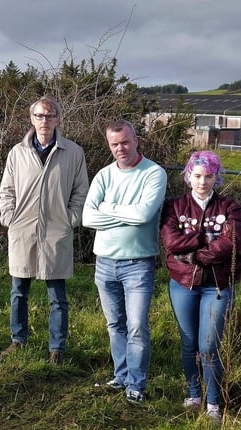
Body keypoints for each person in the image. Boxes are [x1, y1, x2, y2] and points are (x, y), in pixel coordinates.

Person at [0, 96, 89, 365]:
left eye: (49, 116)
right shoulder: (18, 152)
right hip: (22, 230)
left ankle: (57, 349)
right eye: (39, 116)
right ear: (32, 119)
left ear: (58, 119)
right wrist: (9, 217)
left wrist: (71, 218)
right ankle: (18, 340)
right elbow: (7, 190)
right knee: (18, 291)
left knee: (57, 296)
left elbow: (80, 191)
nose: (44, 121)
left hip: (56, 231)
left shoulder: (73, 152)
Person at [82, 119, 167, 403]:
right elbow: (87, 218)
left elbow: (144, 215)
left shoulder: (154, 173)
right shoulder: (104, 176)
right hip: (104, 262)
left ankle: (136, 385)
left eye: (125, 142)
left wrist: (107, 208)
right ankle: (121, 377)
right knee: (114, 324)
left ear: (136, 140)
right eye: (115, 144)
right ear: (109, 145)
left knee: (136, 327)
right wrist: (124, 214)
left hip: (138, 264)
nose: (121, 148)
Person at [160, 150, 241, 422]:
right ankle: (194, 394)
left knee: (209, 345)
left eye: (209, 176)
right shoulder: (173, 207)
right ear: (188, 176)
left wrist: (196, 253)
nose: (202, 182)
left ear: (217, 178)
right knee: (189, 343)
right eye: (197, 176)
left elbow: (230, 243)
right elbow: (172, 244)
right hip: (183, 283)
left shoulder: (230, 208)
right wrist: (202, 239)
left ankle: (213, 403)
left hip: (217, 285)